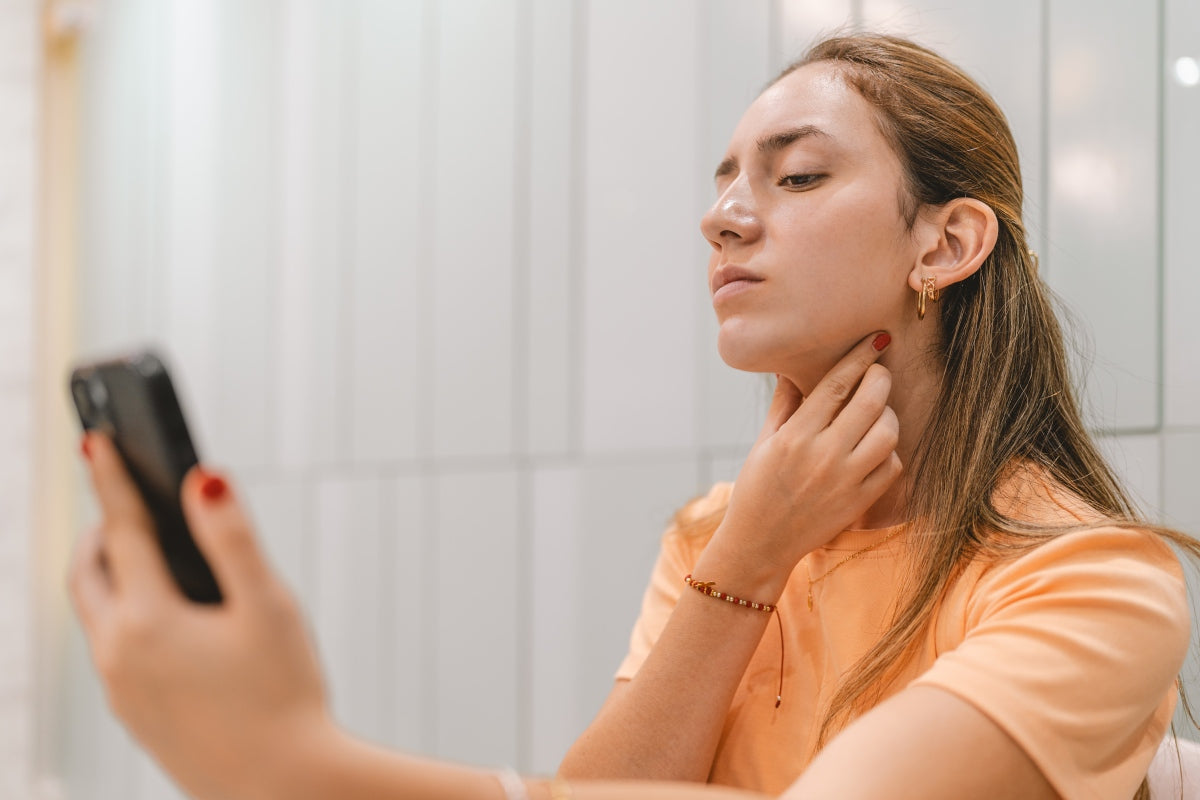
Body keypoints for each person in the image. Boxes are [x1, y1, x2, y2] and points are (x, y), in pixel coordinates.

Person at [68, 33, 1195, 800]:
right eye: (724, 184)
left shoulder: (1092, 578)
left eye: (794, 178)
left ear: (945, 244)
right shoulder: (729, 528)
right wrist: (749, 554)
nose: (723, 218)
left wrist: (301, 766)